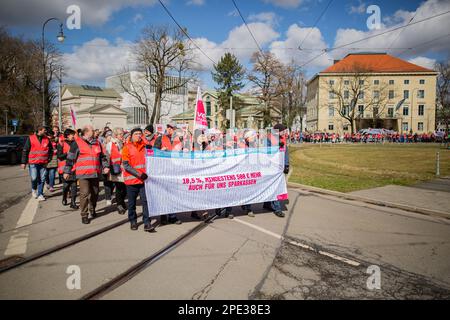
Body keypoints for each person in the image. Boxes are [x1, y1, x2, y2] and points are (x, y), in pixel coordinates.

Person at [64, 125, 110, 224]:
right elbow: (70, 159)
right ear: (86, 133)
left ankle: (92, 208)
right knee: (84, 193)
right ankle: (84, 215)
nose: (95, 132)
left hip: (95, 174)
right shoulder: (76, 143)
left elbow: (102, 157)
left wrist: (106, 166)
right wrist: (67, 171)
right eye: (92, 131)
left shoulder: (97, 143)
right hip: (83, 174)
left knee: (95, 193)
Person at [122, 127, 155, 232]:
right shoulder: (126, 147)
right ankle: (133, 221)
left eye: (140, 134)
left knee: (146, 202)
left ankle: (147, 222)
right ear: (131, 135)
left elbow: (152, 159)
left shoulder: (146, 147)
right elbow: (126, 166)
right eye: (136, 134)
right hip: (132, 181)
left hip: (144, 181)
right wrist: (140, 174)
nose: (138, 135)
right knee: (132, 203)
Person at [153, 124, 182, 225]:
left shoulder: (178, 140)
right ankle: (163, 216)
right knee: (164, 194)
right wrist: (161, 151)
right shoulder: (160, 139)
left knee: (173, 194)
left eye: (173, 129)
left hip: (175, 170)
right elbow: (154, 152)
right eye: (169, 128)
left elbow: (181, 153)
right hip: (163, 170)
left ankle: (172, 216)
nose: (170, 130)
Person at [263, 124, 289, 218]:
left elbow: (286, 152)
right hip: (271, 166)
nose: (284, 132)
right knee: (275, 187)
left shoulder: (283, 138)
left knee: (272, 186)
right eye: (283, 130)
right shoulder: (268, 139)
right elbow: (266, 152)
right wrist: (277, 146)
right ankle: (277, 209)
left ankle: (267, 204)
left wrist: (286, 164)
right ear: (278, 131)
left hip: (279, 166)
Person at [21, 126, 53, 201]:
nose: (45, 132)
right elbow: (25, 150)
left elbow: (51, 150)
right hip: (33, 162)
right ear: (39, 130)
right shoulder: (31, 138)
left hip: (43, 163)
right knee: (34, 178)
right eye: (44, 130)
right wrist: (23, 162)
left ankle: (40, 194)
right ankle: (33, 189)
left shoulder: (47, 139)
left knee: (42, 179)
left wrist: (49, 159)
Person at [105, 127, 127, 215]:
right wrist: (107, 167)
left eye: (122, 134)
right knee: (119, 187)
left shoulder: (123, 143)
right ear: (116, 135)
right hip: (116, 168)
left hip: (124, 168)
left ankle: (121, 201)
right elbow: (107, 156)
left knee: (125, 188)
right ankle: (119, 205)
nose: (122, 136)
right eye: (120, 134)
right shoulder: (110, 144)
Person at [57, 129, 78, 209]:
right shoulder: (61, 144)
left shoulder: (76, 143)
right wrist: (68, 154)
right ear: (67, 135)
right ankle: (64, 197)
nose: (74, 136)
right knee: (66, 186)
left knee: (74, 185)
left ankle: (73, 202)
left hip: (74, 167)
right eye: (72, 134)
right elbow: (59, 156)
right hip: (65, 168)